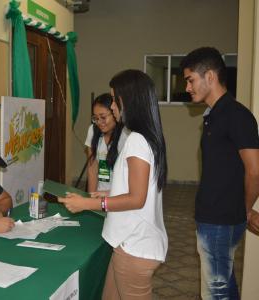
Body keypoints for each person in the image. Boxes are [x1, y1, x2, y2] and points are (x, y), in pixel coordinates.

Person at [59, 69, 168, 299]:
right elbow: (134, 189)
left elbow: (136, 199)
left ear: (128, 100)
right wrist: (104, 194)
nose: (114, 109)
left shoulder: (136, 140)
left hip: (135, 247)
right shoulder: (147, 136)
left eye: (115, 101)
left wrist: (89, 204)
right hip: (127, 243)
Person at [180, 47, 259, 299]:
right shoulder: (213, 115)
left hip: (220, 221)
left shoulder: (237, 115)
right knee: (224, 286)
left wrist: (244, 210)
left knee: (216, 293)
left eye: (191, 79)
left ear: (210, 77)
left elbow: (255, 171)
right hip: (214, 217)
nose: (188, 87)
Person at [85, 93, 128, 193]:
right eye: (96, 118)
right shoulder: (92, 130)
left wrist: (110, 195)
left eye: (103, 117)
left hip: (119, 195)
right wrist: (92, 198)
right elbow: (92, 168)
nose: (99, 122)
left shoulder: (126, 136)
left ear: (114, 113)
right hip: (100, 194)